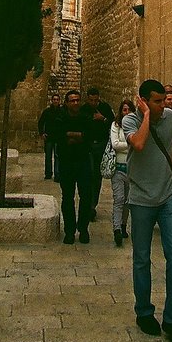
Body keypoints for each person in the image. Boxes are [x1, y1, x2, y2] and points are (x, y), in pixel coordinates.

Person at [123, 78, 172, 342]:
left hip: (168, 196)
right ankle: (144, 312)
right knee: (142, 258)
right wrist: (147, 116)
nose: (164, 105)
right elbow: (138, 144)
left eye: (164, 100)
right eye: (156, 101)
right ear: (143, 101)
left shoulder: (170, 119)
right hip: (141, 198)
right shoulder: (131, 121)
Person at [57, 90, 93, 244]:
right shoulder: (61, 118)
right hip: (66, 162)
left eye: (77, 100)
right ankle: (69, 231)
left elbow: (90, 136)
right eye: (72, 101)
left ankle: (83, 228)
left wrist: (72, 135)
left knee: (86, 197)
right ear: (67, 103)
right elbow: (57, 135)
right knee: (67, 198)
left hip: (83, 162)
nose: (76, 103)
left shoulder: (85, 118)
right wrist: (79, 136)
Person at [80, 87, 114, 220]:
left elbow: (112, 123)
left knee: (97, 176)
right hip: (88, 146)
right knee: (89, 175)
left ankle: (92, 206)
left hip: (101, 145)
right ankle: (88, 205)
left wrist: (103, 119)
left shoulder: (105, 108)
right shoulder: (84, 110)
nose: (93, 103)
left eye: (96, 100)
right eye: (91, 100)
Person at [109, 99, 134, 246]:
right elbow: (115, 144)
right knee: (118, 199)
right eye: (124, 110)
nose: (126, 113)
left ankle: (124, 225)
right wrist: (131, 143)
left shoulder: (136, 125)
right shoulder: (115, 125)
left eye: (129, 110)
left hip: (132, 169)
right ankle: (117, 229)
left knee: (127, 201)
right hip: (118, 168)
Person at [37, 92, 63, 181]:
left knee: (57, 156)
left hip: (58, 137)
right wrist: (41, 133)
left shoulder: (62, 112)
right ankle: (48, 173)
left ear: (59, 101)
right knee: (48, 156)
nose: (55, 101)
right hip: (49, 137)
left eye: (57, 99)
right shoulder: (47, 112)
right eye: (54, 99)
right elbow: (41, 122)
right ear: (51, 101)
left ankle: (57, 174)